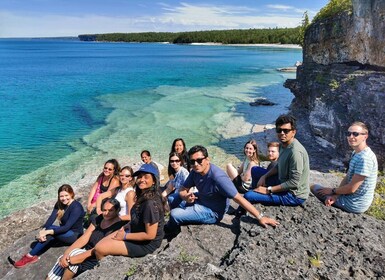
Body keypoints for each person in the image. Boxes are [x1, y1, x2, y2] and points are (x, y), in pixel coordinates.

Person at [166, 145, 279, 234]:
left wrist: (260, 217)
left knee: (175, 214)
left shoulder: (218, 178)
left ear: (207, 160)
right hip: (201, 199)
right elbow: (182, 188)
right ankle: (177, 223)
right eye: (192, 161)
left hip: (212, 212)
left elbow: (238, 198)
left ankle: (170, 229)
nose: (196, 164)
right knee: (172, 198)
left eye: (199, 160)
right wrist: (185, 196)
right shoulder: (195, 172)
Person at [93, 164, 167, 260]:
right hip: (136, 229)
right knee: (101, 242)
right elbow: (138, 216)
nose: (141, 179)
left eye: (146, 177)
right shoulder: (143, 195)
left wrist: (125, 236)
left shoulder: (150, 203)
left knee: (100, 248)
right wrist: (128, 225)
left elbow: (150, 235)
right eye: (140, 176)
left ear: (154, 181)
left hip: (146, 244)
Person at [46, 198, 126, 280]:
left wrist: (72, 259)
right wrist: (66, 253)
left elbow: (99, 248)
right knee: (63, 258)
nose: (106, 213)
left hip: (95, 255)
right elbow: (84, 237)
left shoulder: (119, 227)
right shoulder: (100, 218)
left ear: (117, 210)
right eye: (104, 210)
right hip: (84, 250)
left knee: (73, 257)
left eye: (110, 210)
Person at [241, 114, 310, 208]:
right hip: (282, 180)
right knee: (255, 170)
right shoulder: (283, 145)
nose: (282, 133)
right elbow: (279, 166)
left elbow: (294, 182)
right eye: (279, 130)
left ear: (293, 132)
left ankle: (245, 207)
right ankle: (256, 191)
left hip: (293, 195)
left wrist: (268, 190)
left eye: (286, 131)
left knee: (248, 196)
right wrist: (264, 176)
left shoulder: (295, 152)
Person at [311, 121, 378, 213]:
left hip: (354, 204)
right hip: (350, 198)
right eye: (348, 133)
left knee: (313, 187)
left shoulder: (365, 159)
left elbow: (352, 188)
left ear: (365, 136)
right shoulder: (357, 153)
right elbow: (348, 178)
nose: (351, 137)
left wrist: (332, 191)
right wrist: (335, 195)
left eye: (355, 134)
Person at [11, 185, 85, 268]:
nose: (64, 198)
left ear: (71, 194)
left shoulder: (76, 207)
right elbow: (50, 219)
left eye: (66, 195)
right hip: (64, 232)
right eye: (61, 196)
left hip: (74, 235)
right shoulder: (59, 204)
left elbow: (66, 227)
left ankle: (29, 257)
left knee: (49, 233)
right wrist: (43, 231)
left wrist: (47, 232)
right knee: (48, 231)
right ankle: (32, 255)